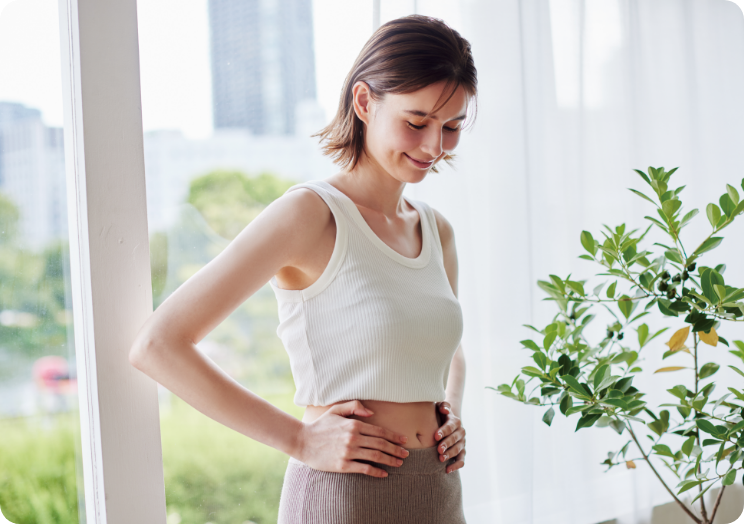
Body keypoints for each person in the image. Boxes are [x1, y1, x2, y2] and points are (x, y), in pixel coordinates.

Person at [129, 14, 477, 524]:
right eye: (417, 121)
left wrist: (452, 412)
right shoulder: (310, 215)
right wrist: (298, 439)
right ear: (364, 102)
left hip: (439, 492)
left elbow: (449, 348)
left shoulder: (435, 230)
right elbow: (157, 346)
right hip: (345, 494)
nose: (434, 147)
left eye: (451, 128)